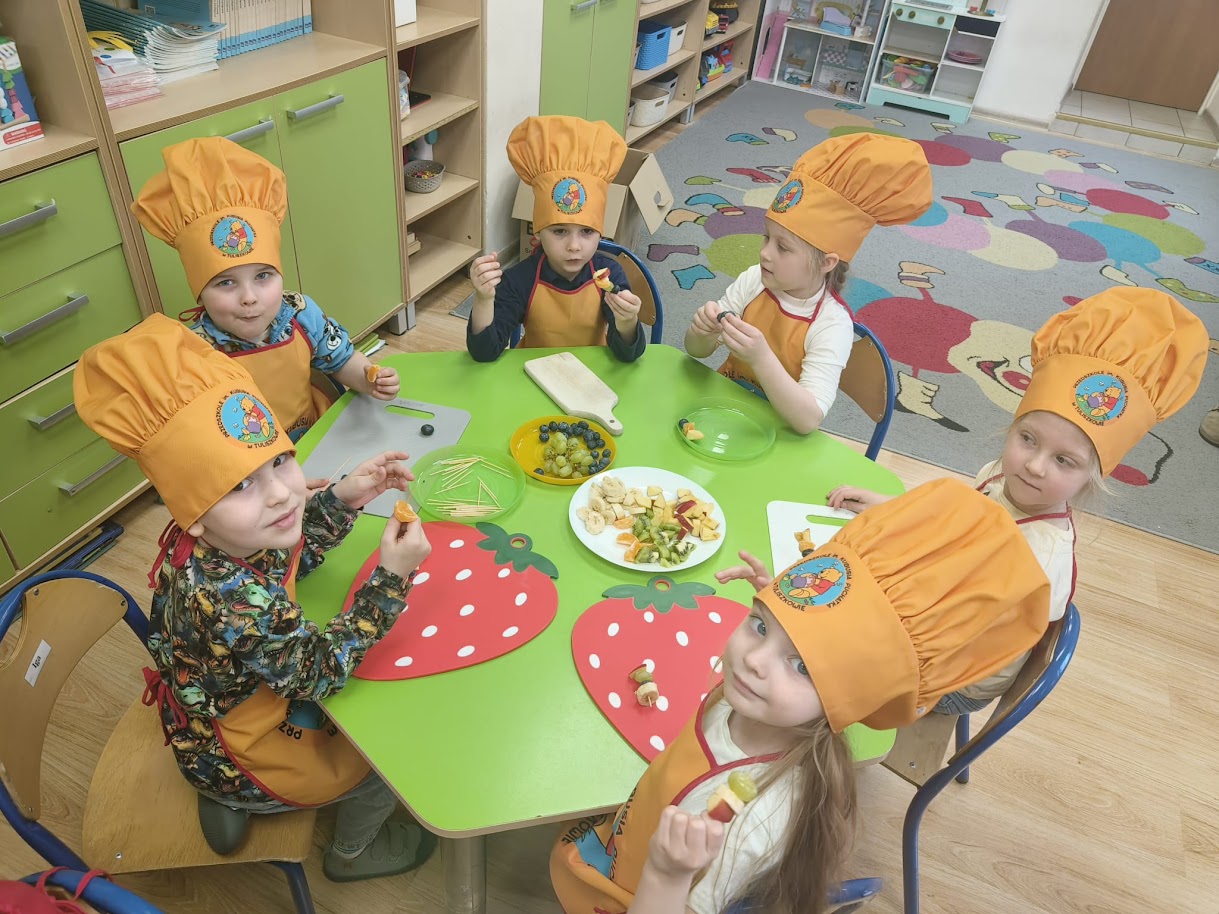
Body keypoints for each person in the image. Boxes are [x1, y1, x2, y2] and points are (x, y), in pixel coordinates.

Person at [549, 478, 1050, 914]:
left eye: (803, 665)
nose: (754, 660)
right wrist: (789, 620)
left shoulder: (749, 825)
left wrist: (667, 874)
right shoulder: (763, 698)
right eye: (760, 624)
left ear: (855, 694)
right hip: (633, 834)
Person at [73, 314, 435, 882]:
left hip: (227, 704)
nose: (280, 495)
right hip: (238, 744)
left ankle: (229, 797)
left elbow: (286, 557)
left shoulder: (219, 537)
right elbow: (317, 673)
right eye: (240, 484)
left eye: (280, 461)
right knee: (386, 762)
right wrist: (391, 580)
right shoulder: (228, 596)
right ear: (194, 515)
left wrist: (344, 497)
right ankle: (348, 852)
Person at [829, 287, 1208, 713]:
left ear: (1093, 477)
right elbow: (951, 520)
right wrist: (892, 508)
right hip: (933, 609)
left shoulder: (1042, 560)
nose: (1035, 466)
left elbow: (969, 641)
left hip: (954, 676)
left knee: (827, 661)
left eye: (1063, 461)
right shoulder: (997, 475)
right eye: (1028, 439)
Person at [132, 137, 399, 443]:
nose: (249, 297)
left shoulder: (301, 315)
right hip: (251, 463)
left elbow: (340, 360)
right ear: (199, 292)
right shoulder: (193, 352)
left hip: (315, 436)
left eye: (262, 276)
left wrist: (369, 379)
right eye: (225, 282)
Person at [684, 134, 932, 434]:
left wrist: (761, 359)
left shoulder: (832, 324)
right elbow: (697, 351)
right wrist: (702, 332)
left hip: (781, 434)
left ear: (827, 262)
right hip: (724, 411)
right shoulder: (754, 279)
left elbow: (807, 421)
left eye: (782, 247)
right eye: (766, 237)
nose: (765, 253)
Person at [467, 115, 646, 362]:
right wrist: (484, 299)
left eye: (587, 231)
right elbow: (484, 353)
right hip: (533, 371)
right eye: (559, 231)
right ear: (538, 231)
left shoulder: (610, 274)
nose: (574, 246)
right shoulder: (520, 280)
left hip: (591, 374)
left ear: (601, 232)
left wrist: (627, 322)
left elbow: (627, 356)